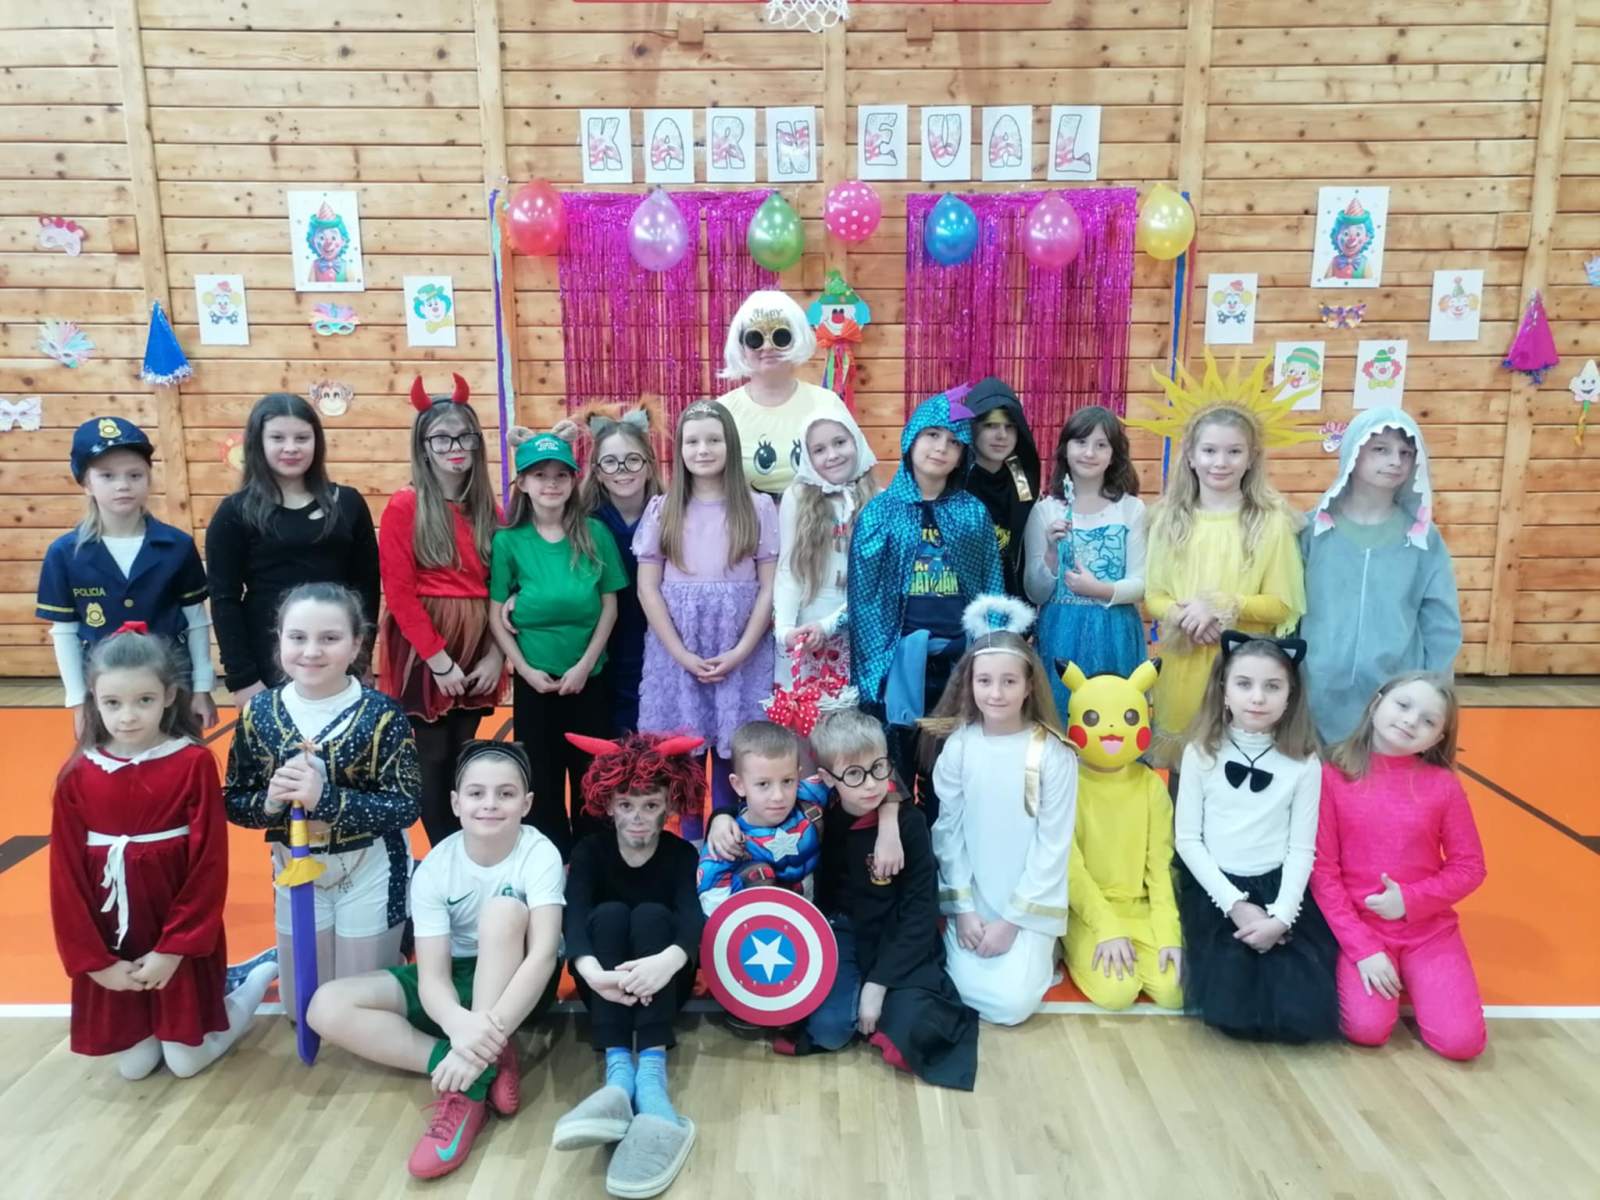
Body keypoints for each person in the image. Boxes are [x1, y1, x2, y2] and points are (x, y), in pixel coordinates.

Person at [306, 741, 564, 1180]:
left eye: (505, 793)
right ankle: (471, 1059)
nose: (490, 804)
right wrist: (459, 1028)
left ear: (527, 804)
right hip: (458, 982)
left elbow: (542, 957)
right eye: (477, 793)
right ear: (456, 803)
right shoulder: (435, 868)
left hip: (520, 984)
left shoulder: (539, 853)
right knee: (324, 1006)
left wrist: (481, 1034)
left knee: (503, 912)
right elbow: (433, 977)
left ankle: (467, 1088)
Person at [49, 625, 277, 1080]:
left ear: (169, 696)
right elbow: (65, 878)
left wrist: (174, 950)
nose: (128, 717)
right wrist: (95, 962)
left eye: (144, 700)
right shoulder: (78, 773)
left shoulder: (192, 763)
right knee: (134, 1067)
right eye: (113, 703)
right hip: (114, 936)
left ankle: (252, 982)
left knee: (185, 1061)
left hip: (175, 930)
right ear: (94, 699)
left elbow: (209, 865)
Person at [223, 583, 421, 1016]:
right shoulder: (258, 713)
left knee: (360, 1012)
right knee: (303, 1013)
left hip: (368, 870)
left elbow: (406, 806)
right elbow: (234, 801)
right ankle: (267, 967)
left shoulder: (382, 714)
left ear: (356, 644)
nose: (311, 651)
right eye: (297, 637)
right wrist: (269, 803)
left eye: (329, 638)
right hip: (296, 871)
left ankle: (400, 944)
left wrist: (326, 799)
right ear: (280, 640)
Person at [776, 709, 979, 1090]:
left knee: (913, 1028)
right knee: (830, 1030)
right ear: (827, 779)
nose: (870, 784)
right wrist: (720, 817)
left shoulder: (908, 824)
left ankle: (878, 1001)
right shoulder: (817, 811)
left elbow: (920, 912)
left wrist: (879, 983)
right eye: (854, 775)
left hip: (897, 935)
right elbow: (760, 806)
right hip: (842, 933)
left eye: (878, 768)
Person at [1128, 354, 1308, 775]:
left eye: (1233, 451)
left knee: (1236, 770)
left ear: (1251, 457)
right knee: (1184, 775)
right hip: (1184, 664)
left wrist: (1222, 607)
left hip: (1245, 672)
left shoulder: (1271, 522)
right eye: (1209, 450)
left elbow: (1282, 603)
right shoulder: (1167, 519)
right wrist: (1188, 617)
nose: (1220, 462)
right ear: (1190, 456)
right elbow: (1155, 596)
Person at [553, 732, 705, 1199]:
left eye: (650, 805)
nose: (637, 817)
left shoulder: (681, 853)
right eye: (626, 805)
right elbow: (575, 916)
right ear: (609, 806)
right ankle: (619, 1074)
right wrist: (593, 974)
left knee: (653, 915)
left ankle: (651, 1076)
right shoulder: (589, 852)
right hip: (602, 979)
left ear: (668, 805)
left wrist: (667, 963)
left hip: (665, 979)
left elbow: (692, 917)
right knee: (610, 914)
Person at [849, 388, 1004, 825]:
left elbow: (990, 586)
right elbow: (865, 601)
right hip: (899, 662)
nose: (941, 448)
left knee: (950, 769)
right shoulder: (880, 514)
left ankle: (947, 851)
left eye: (954, 441)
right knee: (896, 766)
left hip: (958, 662)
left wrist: (990, 651)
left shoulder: (972, 513)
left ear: (963, 454)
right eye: (932, 435)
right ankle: (903, 844)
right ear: (911, 439)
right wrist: (874, 671)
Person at [1173, 632, 1339, 1043]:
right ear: (1224, 689)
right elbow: (1188, 841)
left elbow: (1301, 849)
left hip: (1278, 887)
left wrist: (1281, 916)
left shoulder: (1304, 762)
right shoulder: (1201, 752)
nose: (1258, 698)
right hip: (1217, 889)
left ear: (1290, 695)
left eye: (1273, 686)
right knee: (1233, 1011)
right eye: (1244, 684)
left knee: (1298, 1013)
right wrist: (1237, 907)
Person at [1311, 673, 1487, 1060]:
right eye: (1403, 705)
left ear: (1438, 737)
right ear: (1377, 702)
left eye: (1428, 720)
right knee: (1367, 1029)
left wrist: (1409, 900)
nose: (1410, 721)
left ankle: (1419, 975)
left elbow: (1470, 866)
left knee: (1462, 1043)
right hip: (1361, 930)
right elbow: (1323, 873)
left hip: (1428, 932)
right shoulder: (1332, 777)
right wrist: (1363, 949)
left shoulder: (1443, 786)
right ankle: (1391, 972)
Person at [925, 604, 1077, 1026]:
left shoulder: (1053, 754)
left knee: (1011, 1006)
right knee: (955, 988)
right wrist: (964, 910)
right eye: (985, 681)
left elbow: (1053, 844)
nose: (996, 693)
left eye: (1009, 681)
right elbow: (948, 832)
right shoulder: (960, 746)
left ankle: (1044, 949)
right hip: (974, 898)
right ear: (969, 683)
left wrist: (1011, 922)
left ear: (1029, 686)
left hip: (1026, 902)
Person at [635, 401, 778, 844]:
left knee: (737, 749)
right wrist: (681, 654)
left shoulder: (758, 507)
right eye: (692, 441)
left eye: (713, 439)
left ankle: (733, 844)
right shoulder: (662, 510)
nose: (703, 449)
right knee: (686, 752)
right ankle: (690, 845)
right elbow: (648, 589)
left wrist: (741, 650)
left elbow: (769, 587)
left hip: (741, 646)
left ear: (730, 445)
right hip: (680, 647)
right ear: (679, 449)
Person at [379, 375, 505, 847]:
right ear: (424, 446)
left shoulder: (489, 510)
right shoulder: (405, 506)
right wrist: (438, 661)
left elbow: (505, 590)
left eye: (464, 437)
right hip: (426, 646)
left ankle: (468, 849)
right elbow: (399, 594)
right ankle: (442, 853)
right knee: (432, 755)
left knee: (463, 754)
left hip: (478, 642)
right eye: (442, 438)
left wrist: (496, 655)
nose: (455, 447)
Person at [488, 431, 627, 859]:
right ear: (523, 484)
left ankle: (590, 865)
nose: (551, 483)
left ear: (573, 481)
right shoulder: (509, 541)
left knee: (592, 781)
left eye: (560, 475)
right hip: (536, 684)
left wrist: (585, 665)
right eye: (539, 475)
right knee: (542, 783)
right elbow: (496, 615)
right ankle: (549, 867)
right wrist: (524, 670)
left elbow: (609, 607)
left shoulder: (594, 533)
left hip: (589, 680)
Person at [38, 416, 217, 736]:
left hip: (171, 688)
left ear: (148, 478)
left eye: (135, 475)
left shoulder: (177, 545)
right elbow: (64, 632)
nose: (123, 485)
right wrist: (78, 703)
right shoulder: (64, 553)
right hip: (105, 696)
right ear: (86, 483)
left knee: (180, 759)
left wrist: (202, 688)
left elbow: (196, 622)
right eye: (107, 475)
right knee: (109, 763)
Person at [1300, 409, 1462, 745]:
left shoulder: (1422, 539)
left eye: (1406, 452)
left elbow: (1441, 622)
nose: (1395, 461)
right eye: (1381, 449)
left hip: (1394, 700)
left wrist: (1435, 687)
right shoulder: (1312, 531)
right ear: (1353, 451)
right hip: (1313, 691)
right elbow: (1286, 610)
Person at [206, 393, 380, 703]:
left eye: (302, 438)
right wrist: (242, 679)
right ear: (258, 443)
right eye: (278, 438)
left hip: (336, 655)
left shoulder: (348, 503)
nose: (291, 448)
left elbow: (366, 587)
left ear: (317, 442)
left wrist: (362, 656)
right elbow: (224, 600)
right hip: (268, 660)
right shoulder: (234, 512)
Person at [1057, 660, 1183, 1011]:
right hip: (1088, 913)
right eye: (1093, 718)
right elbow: (1070, 868)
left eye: (1128, 718)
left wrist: (1169, 933)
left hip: (1142, 911)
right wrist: (1107, 926)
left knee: (1175, 992)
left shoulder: (1150, 786)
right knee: (1117, 993)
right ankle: (1066, 945)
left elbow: (1161, 866)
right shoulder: (1066, 784)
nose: (1112, 729)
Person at [1024, 405, 1147, 715]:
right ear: (1065, 449)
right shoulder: (1045, 510)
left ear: (1114, 455)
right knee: (1061, 718)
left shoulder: (1131, 509)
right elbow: (1035, 593)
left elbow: (1141, 584)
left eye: (1101, 445)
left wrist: (1099, 590)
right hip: (1059, 632)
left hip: (1115, 632)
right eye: (1081, 442)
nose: (1089, 453)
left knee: (1112, 720)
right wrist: (1051, 552)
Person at [772, 407, 879, 688]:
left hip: (859, 627)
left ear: (856, 440)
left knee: (852, 710)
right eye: (819, 450)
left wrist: (830, 624)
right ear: (808, 457)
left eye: (840, 442)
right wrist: (785, 630)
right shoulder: (797, 497)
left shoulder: (880, 501)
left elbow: (877, 585)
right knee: (806, 707)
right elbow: (789, 570)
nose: (832, 455)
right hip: (808, 627)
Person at [717, 289, 853, 494]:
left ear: (797, 339)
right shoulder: (723, 412)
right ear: (741, 346)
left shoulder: (827, 404)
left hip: (816, 513)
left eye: (780, 337)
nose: (767, 346)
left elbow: (855, 475)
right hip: (745, 515)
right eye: (755, 338)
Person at [578, 409, 664, 732]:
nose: (622, 470)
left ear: (649, 465)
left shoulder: (668, 516)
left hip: (655, 638)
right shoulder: (585, 523)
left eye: (632, 460)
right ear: (598, 473)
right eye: (611, 462)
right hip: (603, 642)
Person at [696, 721, 822, 914]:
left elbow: (846, 777)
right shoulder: (727, 840)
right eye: (763, 784)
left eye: (787, 781)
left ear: (798, 776)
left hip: (816, 921)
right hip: (757, 927)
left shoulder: (809, 798)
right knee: (758, 873)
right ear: (738, 785)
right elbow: (713, 901)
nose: (778, 796)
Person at [964, 377, 1040, 600]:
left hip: (1014, 603)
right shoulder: (957, 482)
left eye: (1009, 427)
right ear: (972, 428)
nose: (1001, 435)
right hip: (965, 602)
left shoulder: (1022, 479)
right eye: (990, 425)